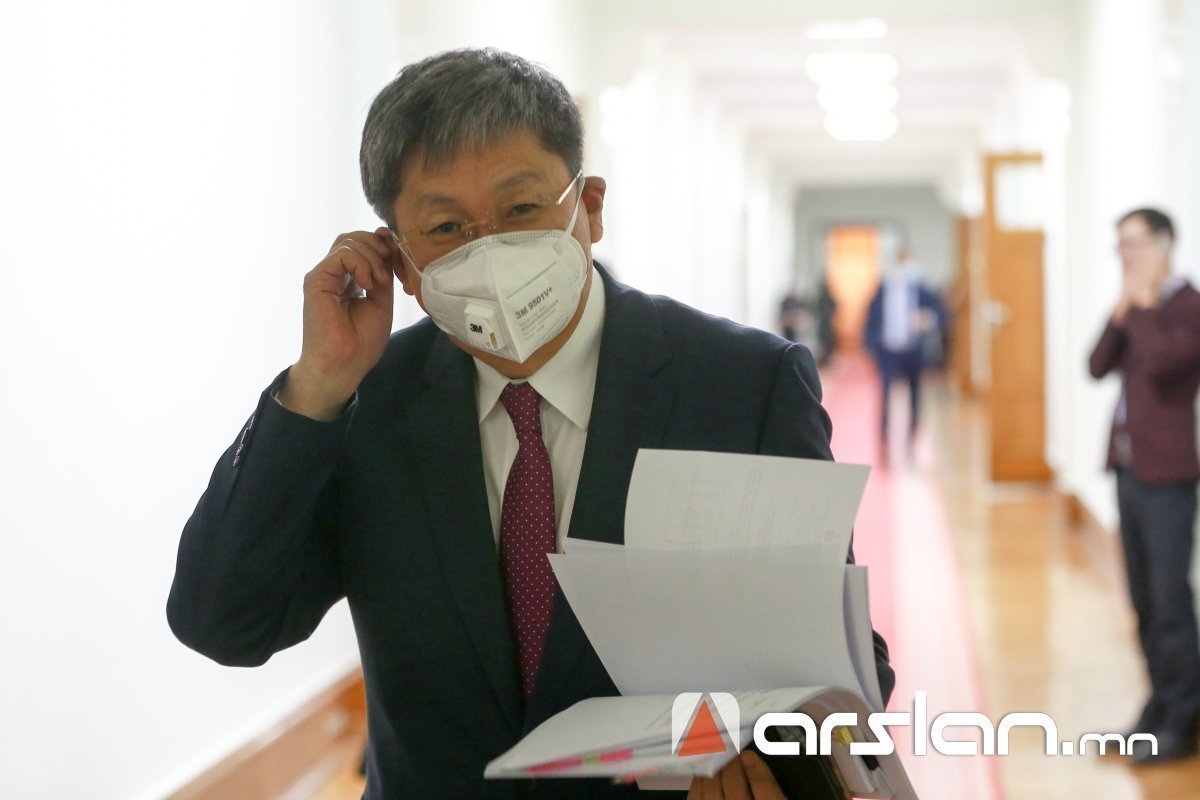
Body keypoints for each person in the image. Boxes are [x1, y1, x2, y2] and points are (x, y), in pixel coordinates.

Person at [167, 48, 894, 799]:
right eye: (446, 226)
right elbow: (225, 624)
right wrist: (316, 387)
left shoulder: (740, 385)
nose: (490, 250)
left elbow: (838, 666)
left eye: (521, 210)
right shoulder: (365, 403)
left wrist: (762, 770)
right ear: (401, 261)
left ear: (591, 208)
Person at [1088, 207, 1200, 765]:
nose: (1125, 255)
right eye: (1120, 245)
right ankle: (1158, 707)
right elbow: (1096, 364)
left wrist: (1145, 301)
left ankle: (1182, 720)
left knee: (1170, 602)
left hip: (1169, 477)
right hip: (1129, 471)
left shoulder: (1186, 305)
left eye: (1133, 243)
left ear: (1164, 243)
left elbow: (1160, 362)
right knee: (1143, 601)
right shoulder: (1136, 307)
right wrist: (1123, 307)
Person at [864, 248, 946, 460]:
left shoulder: (922, 290)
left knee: (915, 398)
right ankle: (884, 444)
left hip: (913, 352)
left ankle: (911, 442)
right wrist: (871, 348)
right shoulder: (883, 290)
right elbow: (870, 319)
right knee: (885, 397)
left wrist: (929, 319)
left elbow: (943, 313)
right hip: (888, 351)